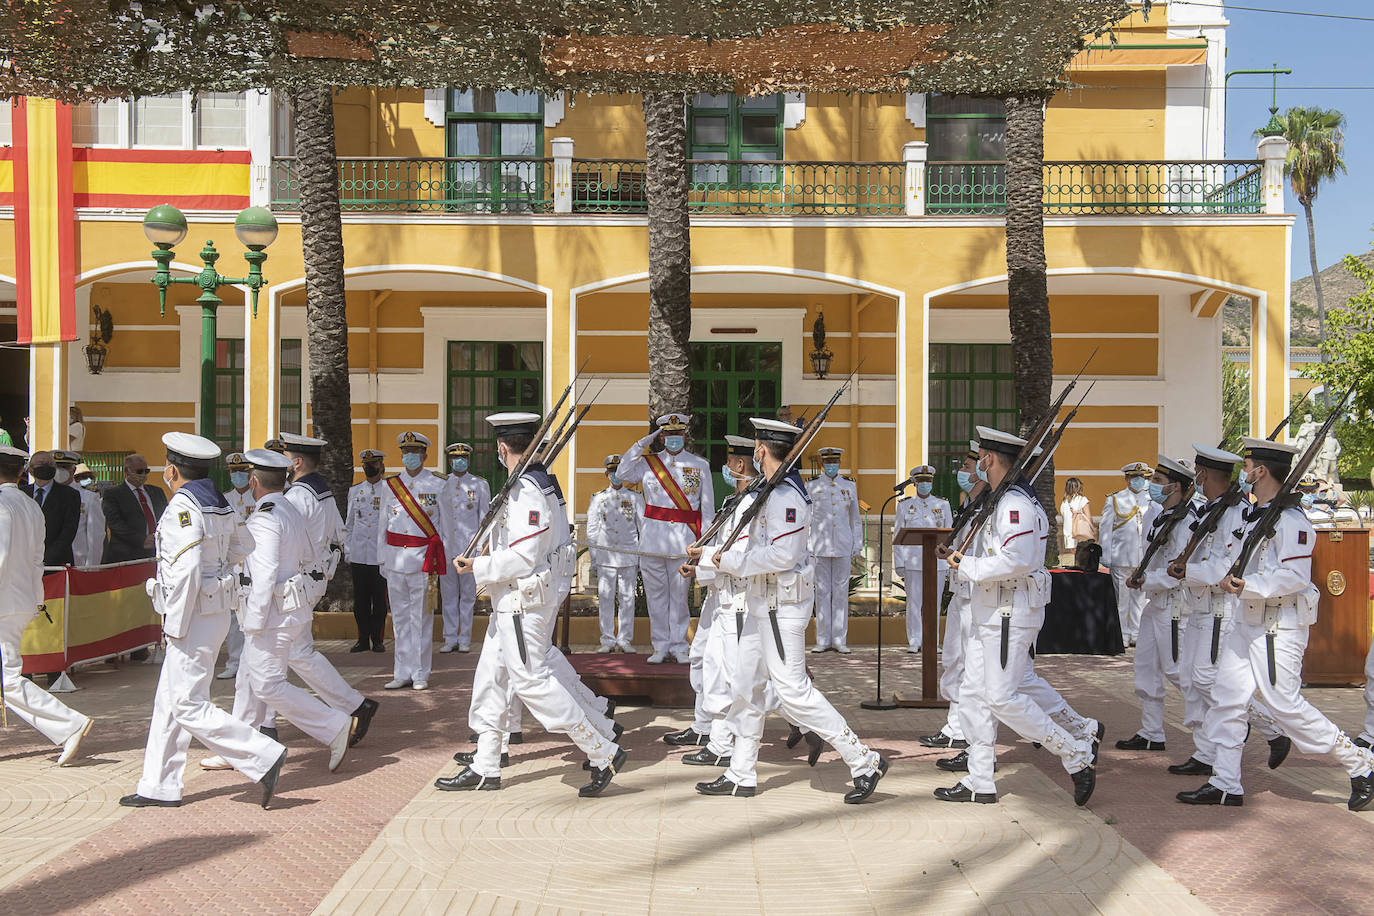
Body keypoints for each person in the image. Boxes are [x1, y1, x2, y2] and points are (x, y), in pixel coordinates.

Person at [691, 417, 887, 803]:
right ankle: (740, 773)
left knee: (794, 692)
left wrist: (723, 559)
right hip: (761, 601)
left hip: (782, 606)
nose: (753, 452)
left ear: (762, 450)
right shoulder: (770, 489)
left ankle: (864, 760)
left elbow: (783, 555)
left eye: (756, 446)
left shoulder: (786, 496)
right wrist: (714, 555)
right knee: (746, 687)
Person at [1179, 437, 1374, 810]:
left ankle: (1360, 763)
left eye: (1247, 466)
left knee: (1285, 704)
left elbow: (1295, 577)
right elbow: (1232, 559)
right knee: (1226, 698)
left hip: (1277, 625)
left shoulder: (1291, 521)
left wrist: (1247, 584)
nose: (1243, 473)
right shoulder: (1255, 515)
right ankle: (1225, 783)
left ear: (1261, 471)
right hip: (1247, 618)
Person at [439, 412, 626, 795]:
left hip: (522, 600)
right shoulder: (533, 482)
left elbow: (525, 556)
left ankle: (602, 750)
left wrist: (479, 566)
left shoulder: (527, 489)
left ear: (502, 447)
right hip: (510, 598)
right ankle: (486, 763)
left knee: (532, 682)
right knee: (491, 679)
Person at [121, 432, 288, 809]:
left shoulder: (183, 506)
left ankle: (262, 754)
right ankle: (158, 785)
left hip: (191, 615)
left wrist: (174, 623)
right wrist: (220, 573)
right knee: (170, 700)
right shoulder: (218, 503)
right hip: (211, 610)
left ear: (172, 469)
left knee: (187, 704)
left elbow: (186, 570)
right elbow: (245, 545)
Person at [935, 426, 1098, 807]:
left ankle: (1076, 753)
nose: (976, 464)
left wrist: (965, 564)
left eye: (980, 457)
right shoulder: (1000, 499)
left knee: (1002, 698)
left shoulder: (1015, 505)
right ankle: (980, 780)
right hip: (991, 608)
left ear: (990, 459)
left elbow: (1018, 560)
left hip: (1009, 610)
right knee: (973, 694)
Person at [201, 449, 355, 774]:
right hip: (287, 609)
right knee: (247, 681)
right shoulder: (288, 509)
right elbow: (310, 556)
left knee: (267, 685)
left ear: (253, 482)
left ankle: (334, 725)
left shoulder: (265, 518)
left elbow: (264, 574)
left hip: (271, 615)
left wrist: (253, 622)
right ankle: (237, 747)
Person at [1166, 444, 1289, 779]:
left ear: (1203, 473)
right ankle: (1206, 752)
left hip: (1220, 608)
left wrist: (1188, 571)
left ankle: (1271, 728)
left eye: (1197, 471)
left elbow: (1228, 565)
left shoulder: (1235, 512)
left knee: (1208, 679)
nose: (1195, 476)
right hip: (1199, 604)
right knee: (1191, 680)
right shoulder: (1211, 509)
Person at [274, 433, 379, 734]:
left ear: (296, 462)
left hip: (295, 582)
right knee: (291, 653)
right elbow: (338, 534)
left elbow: (286, 542)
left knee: (284, 653)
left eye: (285, 458)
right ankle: (354, 706)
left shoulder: (296, 497)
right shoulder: (322, 491)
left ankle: (351, 708)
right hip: (311, 579)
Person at [0, 446, 94, 765]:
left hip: (4, 603)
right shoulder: (30, 505)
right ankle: (67, 725)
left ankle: (69, 723)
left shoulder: (4, 504)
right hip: (19, 599)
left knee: (9, 680)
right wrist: (36, 599)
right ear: (21, 472)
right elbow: (36, 560)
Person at [617, 413, 715, 664]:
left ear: (685, 434)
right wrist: (642, 443)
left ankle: (679, 645)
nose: (674, 438)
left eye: (678, 433)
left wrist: (704, 545)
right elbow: (622, 471)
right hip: (652, 541)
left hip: (684, 541)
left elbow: (707, 510)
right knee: (656, 597)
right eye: (669, 434)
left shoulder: (699, 465)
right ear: (661, 436)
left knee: (680, 598)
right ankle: (660, 646)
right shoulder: (648, 464)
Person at [1116, 456, 1195, 753]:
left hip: (1174, 605)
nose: (1152, 485)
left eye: (1159, 482)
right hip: (1155, 602)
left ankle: (1238, 717)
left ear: (1176, 487)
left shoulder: (1186, 522)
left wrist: (1145, 579)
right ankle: (1151, 732)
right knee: (1146, 668)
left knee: (1179, 672)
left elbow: (1178, 571)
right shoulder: (1158, 514)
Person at [918, 442, 982, 750]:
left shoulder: (989, 506)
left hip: (976, 594)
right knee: (954, 660)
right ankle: (956, 727)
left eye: (968, 467)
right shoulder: (970, 504)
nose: (962, 472)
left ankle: (968, 733)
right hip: (961, 591)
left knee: (971, 667)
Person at [377, 431, 448, 690]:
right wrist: (381, 559)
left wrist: (443, 559)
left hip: (423, 560)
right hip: (395, 559)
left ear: (424, 455)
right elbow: (382, 524)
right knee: (399, 619)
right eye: (406, 452)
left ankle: (419, 673)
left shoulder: (438, 484)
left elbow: (446, 527)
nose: (410, 456)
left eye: (415, 452)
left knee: (421, 618)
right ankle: (401, 672)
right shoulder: (390, 485)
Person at [806, 446, 863, 654]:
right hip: (819, 546)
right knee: (822, 592)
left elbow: (855, 519)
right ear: (822, 464)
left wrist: (857, 544)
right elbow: (807, 518)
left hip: (843, 545)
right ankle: (822, 639)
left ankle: (839, 639)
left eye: (834, 462)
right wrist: (807, 546)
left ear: (839, 463)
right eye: (828, 462)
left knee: (840, 593)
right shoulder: (811, 485)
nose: (831, 465)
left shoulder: (849, 485)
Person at [586, 454, 641, 653]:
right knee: (606, 598)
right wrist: (594, 557)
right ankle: (607, 640)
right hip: (606, 557)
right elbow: (592, 530)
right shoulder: (598, 498)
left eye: (618, 472)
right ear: (606, 474)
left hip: (628, 555)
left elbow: (642, 528)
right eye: (612, 472)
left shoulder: (635, 498)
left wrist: (640, 557)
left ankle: (625, 639)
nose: (615, 475)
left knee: (628, 598)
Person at [892, 464, 950, 655]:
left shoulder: (943, 505)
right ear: (915, 483)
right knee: (914, 603)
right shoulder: (904, 505)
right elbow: (898, 536)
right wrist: (899, 562)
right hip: (913, 562)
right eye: (921, 481)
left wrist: (949, 561)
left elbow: (950, 535)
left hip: (937, 562)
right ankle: (915, 640)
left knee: (933, 604)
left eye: (928, 481)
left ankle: (932, 641)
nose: (925, 484)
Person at [439, 442, 490, 654]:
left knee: (468, 596)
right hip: (446, 547)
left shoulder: (480, 485)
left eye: (463, 458)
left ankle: (464, 639)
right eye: (455, 458)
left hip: (469, 550)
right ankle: (450, 638)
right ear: (450, 460)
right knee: (448, 596)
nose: (459, 461)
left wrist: (480, 549)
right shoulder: (441, 484)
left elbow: (484, 519)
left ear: (468, 460)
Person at [1099, 461, 1155, 646]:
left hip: (1143, 558)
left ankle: (1136, 633)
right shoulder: (1115, 499)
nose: (1139, 481)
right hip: (1122, 556)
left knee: (1140, 599)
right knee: (1121, 599)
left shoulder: (1151, 500)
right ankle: (1122, 634)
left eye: (1142, 477)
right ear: (1127, 479)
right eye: (1135, 477)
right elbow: (1105, 529)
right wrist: (1106, 555)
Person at [344, 449, 389, 653]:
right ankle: (362, 639)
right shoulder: (355, 491)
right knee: (360, 601)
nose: (370, 468)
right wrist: (348, 549)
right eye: (366, 465)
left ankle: (377, 640)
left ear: (381, 466)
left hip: (379, 555)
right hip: (359, 553)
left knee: (379, 601)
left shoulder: (388, 490)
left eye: (374, 464)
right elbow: (350, 523)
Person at [217, 452, 256, 681]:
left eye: (241, 471)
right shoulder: (224, 499)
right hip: (233, 566)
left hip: (254, 565)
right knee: (233, 616)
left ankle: (253, 664)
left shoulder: (258, 498)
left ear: (250, 474)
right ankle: (234, 663)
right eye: (233, 471)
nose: (237, 475)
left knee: (254, 614)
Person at [102, 453, 167, 563]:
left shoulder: (157, 492)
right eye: (139, 471)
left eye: (146, 471)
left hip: (156, 552)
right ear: (127, 471)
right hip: (127, 555)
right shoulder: (113, 494)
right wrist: (142, 540)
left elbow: (166, 517)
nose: (143, 475)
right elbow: (115, 524)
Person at [22, 450, 81, 567]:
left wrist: (44, 559)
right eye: (41, 463)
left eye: (50, 464)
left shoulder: (70, 495)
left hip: (55, 563)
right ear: (30, 470)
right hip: (24, 561)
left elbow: (68, 532)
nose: (46, 467)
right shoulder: (21, 493)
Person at [55, 450, 105, 567]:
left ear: (73, 470)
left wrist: (91, 568)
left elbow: (96, 536)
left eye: (65, 467)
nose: (60, 471)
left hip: (78, 563)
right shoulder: (44, 495)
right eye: (57, 467)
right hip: (50, 563)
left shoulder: (89, 497)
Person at [1059, 477, 1092, 560]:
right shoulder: (1082, 500)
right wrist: (1092, 529)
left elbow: (1064, 516)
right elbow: (1088, 516)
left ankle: (1078, 564)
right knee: (1083, 553)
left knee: (1075, 552)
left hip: (1069, 531)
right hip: (1081, 530)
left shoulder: (1064, 502)